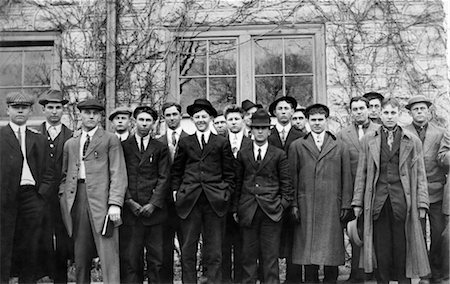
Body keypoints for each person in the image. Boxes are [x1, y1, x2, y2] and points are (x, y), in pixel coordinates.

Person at [352, 98, 430, 284]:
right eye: (385, 113)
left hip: (403, 202)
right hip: (377, 203)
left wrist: (422, 202)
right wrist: (357, 202)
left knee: (402, 247)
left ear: (399, 114)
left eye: (393, 113)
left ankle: (403, 281)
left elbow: (420, 175)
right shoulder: (368, 140)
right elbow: (361, 173)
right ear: (379, 114)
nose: (389, 117)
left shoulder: (412, 141)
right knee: (382, 249)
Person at [59, 99, 128, 283]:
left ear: (100, 116)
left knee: (108, 254)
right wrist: (63, 198)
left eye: (95, 113)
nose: (91, 116)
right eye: (87, 112)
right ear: (80, 114)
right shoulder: (71, 143)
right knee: (80, 255)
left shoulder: (109, 139)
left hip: (102, 201)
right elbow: (64, 175)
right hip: (77, 199)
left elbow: (117, 172)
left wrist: (115, 203)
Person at [171, 98, 235, 283]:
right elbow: (176, 170)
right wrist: (177, 191)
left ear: (211, 118)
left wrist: (225, 193)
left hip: (214, 201)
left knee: (214, 250)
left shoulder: (221, 142)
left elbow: (229, 173)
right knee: (188, 248)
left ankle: (214, 281)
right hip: (190, 201)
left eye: (204, 116)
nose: (200, 119)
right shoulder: (185, 142)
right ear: (192, 119)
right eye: (196, 116)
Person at [289, 103, 353, 283]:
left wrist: (346, 204)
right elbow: (292, 178)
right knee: (308, 247)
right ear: (307, 122)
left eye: (320, 120)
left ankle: (331, 279)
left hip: (332, 204)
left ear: (326, 121)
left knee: (331, 246)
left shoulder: (339, 146)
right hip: (306, 203)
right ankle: (311, 279)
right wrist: (293, 204)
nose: (317, 123)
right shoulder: (297, 146)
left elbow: (346, 177)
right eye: (313, 120)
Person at [233, 108, 293, 284]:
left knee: (270, 257)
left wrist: (281, 206)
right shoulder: (243, 153)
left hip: (271, 212)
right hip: (248, 211)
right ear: (251, 130)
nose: (260, 131)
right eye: (256, 128)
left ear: (269, 130)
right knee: (248, 257)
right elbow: (237, 183)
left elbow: (287, 185)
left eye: (263, 128)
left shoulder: (278, 154)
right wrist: (237, 208)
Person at [0, 91, 54, 283]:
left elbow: (49, 172)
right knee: (4, 243)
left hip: (32, 197)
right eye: (16, 107)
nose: (20, 111)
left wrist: (41, 197)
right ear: (8, 110)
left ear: (31, 111)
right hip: (5, 198)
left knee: (31, 245)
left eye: (24, 108)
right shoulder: (1, 136)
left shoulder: (38, 139)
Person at [120, 105, 170, 283]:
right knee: (132, 260)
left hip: (154, 212)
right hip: (132, 211)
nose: (144, 124)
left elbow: (164, 177)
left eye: (148, 120)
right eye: (141, 120)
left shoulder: (160, 147)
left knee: (156, 259)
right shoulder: (124, 146)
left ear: (154, 123)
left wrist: (153, 204)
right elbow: (119, 175)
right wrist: (129, 201)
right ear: (134, 121)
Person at [403, 95, 447, 284]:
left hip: (436, 191)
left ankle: (437, 270)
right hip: (413, 193)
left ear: (429, 111)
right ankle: (423, 274)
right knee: (418, 234)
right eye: (415, 109)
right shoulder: (404, 133)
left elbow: (444, 161)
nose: (419, 112)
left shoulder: (440, 133)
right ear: (410, 113)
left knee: (438, 233)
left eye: (422, 109)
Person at [336, 96, 378, 283]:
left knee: (375, 231)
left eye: (362, 108)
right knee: (354, 232)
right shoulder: (343, 134)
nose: (359, 112)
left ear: (369, 110)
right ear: (351, 112)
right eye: (355, 109)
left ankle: (375, 271)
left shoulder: (379, 130)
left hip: (376, 190)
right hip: (352, 190)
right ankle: (356, 273)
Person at [38, 90, 73, 283]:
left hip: (64, 196)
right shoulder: (34, 134)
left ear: (63, 110)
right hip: (40, 196)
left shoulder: (72, 136)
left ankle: (61, 279)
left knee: (63, 240)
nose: (54, 112)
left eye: (58, 108)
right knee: (40, 238)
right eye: (50, 108)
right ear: (43, 110)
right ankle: (43, 277)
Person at [268, 96, 304, 283]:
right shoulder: (267, 135)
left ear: (292, 112)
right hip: (272, 195)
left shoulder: (300, 137)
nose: (283, 111)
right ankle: (271, 278)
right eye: (280, 108)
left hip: (295, 193)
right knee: (272, 238)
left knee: (294, 238)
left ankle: (294, 278)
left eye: (287, 108)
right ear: (274, 113)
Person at [157, 102, 189, 283]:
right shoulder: (158, 141)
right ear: (164, 118)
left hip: (185, 201)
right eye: (168, 115)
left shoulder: (190, 139)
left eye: (175, 114)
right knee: (164, 247)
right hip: (164, 203)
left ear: (181, 115)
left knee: (187, 246)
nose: (171, 118)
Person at [222, 105, 252, 283]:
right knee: (224, 246)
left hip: (245, 202)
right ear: (226, 122)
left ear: (243, 121)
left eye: (236, 119)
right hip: (223, 203)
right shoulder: (219, 142)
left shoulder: (251, 143)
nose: (233, 123)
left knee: (244, 246)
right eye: (230, 120)